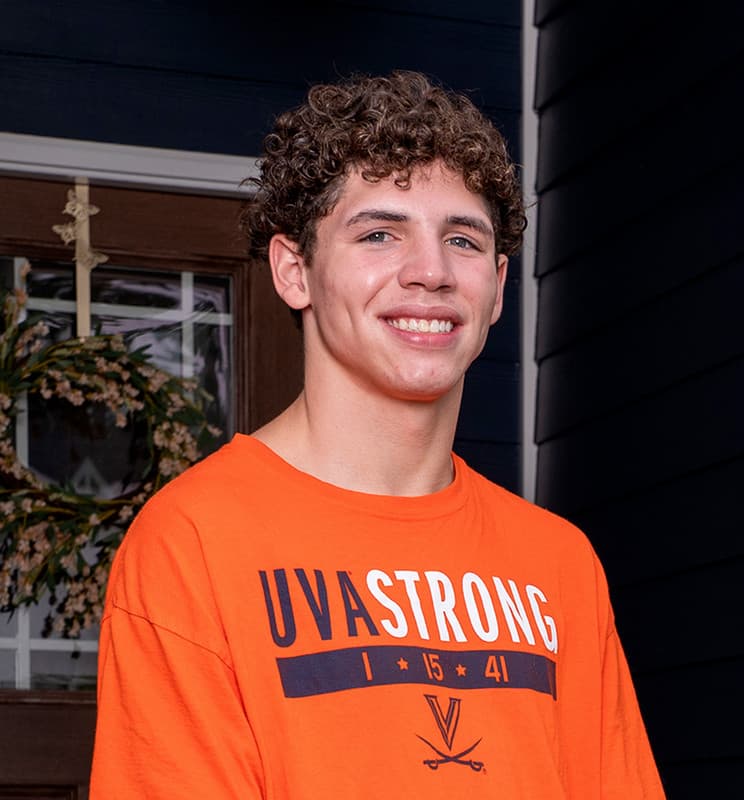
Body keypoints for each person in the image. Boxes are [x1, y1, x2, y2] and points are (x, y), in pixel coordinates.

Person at [90, 71, 665, 799]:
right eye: (380, 233)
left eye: (461, 239)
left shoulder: (558, 565)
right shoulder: (193, 542)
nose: (429, 272)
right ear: (294, 272)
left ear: (495, 287)